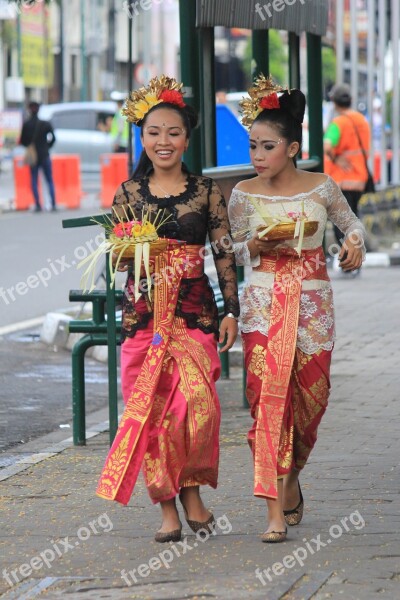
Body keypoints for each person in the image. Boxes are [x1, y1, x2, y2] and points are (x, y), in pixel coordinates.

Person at [96, 75, 239, 543]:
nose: (163, 141)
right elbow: (115, 258)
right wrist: (135, 250)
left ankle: (192, 492)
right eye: (154, 132)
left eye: (173, 132)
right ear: (142, 137)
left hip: (194, 315)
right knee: (152, 414)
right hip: (144, 321)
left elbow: (223, 253)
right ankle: (169, 509)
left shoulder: (205, 192)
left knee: (196, 408)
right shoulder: (128, 195)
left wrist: (230, 311)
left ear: (187, 138)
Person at [228, 75, 365, 543]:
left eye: (267, 146)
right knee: (268, 399)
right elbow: (231, 251)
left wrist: (352, 244)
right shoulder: (243, 193)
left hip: (312, 305)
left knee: (311, 401)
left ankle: (291, 473)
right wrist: (257, 242)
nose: (257, 156)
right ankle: (272, 506)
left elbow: (352, 226)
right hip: (264, 305)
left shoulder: (322, 187)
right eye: (252, 146)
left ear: (292, 147)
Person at [323, 83, 371, 245]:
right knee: (354, 218)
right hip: (359, 178)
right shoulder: (362, 120)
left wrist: (336, 159)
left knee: (342, 222)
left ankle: (348, 256)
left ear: (334, 102)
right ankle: (355, 255)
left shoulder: (338, 123)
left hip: (342, 179)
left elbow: (327, 146)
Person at [20, 101, 56, 212]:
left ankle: (38, 204)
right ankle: (53, 204)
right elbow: (53, 138)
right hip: (45, 155)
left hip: (34, 157)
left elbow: (22, 141)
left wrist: (30, 146)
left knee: (34, 180)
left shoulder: (26, 124)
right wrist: (47, 146)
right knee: (49, 180)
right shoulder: (45, 123)